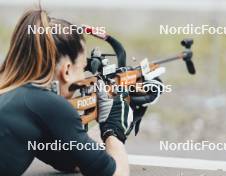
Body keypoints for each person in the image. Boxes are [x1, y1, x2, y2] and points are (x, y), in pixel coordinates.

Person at [0, 9, 163, 176]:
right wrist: (114, 131)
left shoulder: (16, 96)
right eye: (83, 67)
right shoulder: (48, 104)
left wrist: (103, 121)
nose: (85, 75)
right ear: (67, 70)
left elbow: (75, 161)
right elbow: (117, 173)